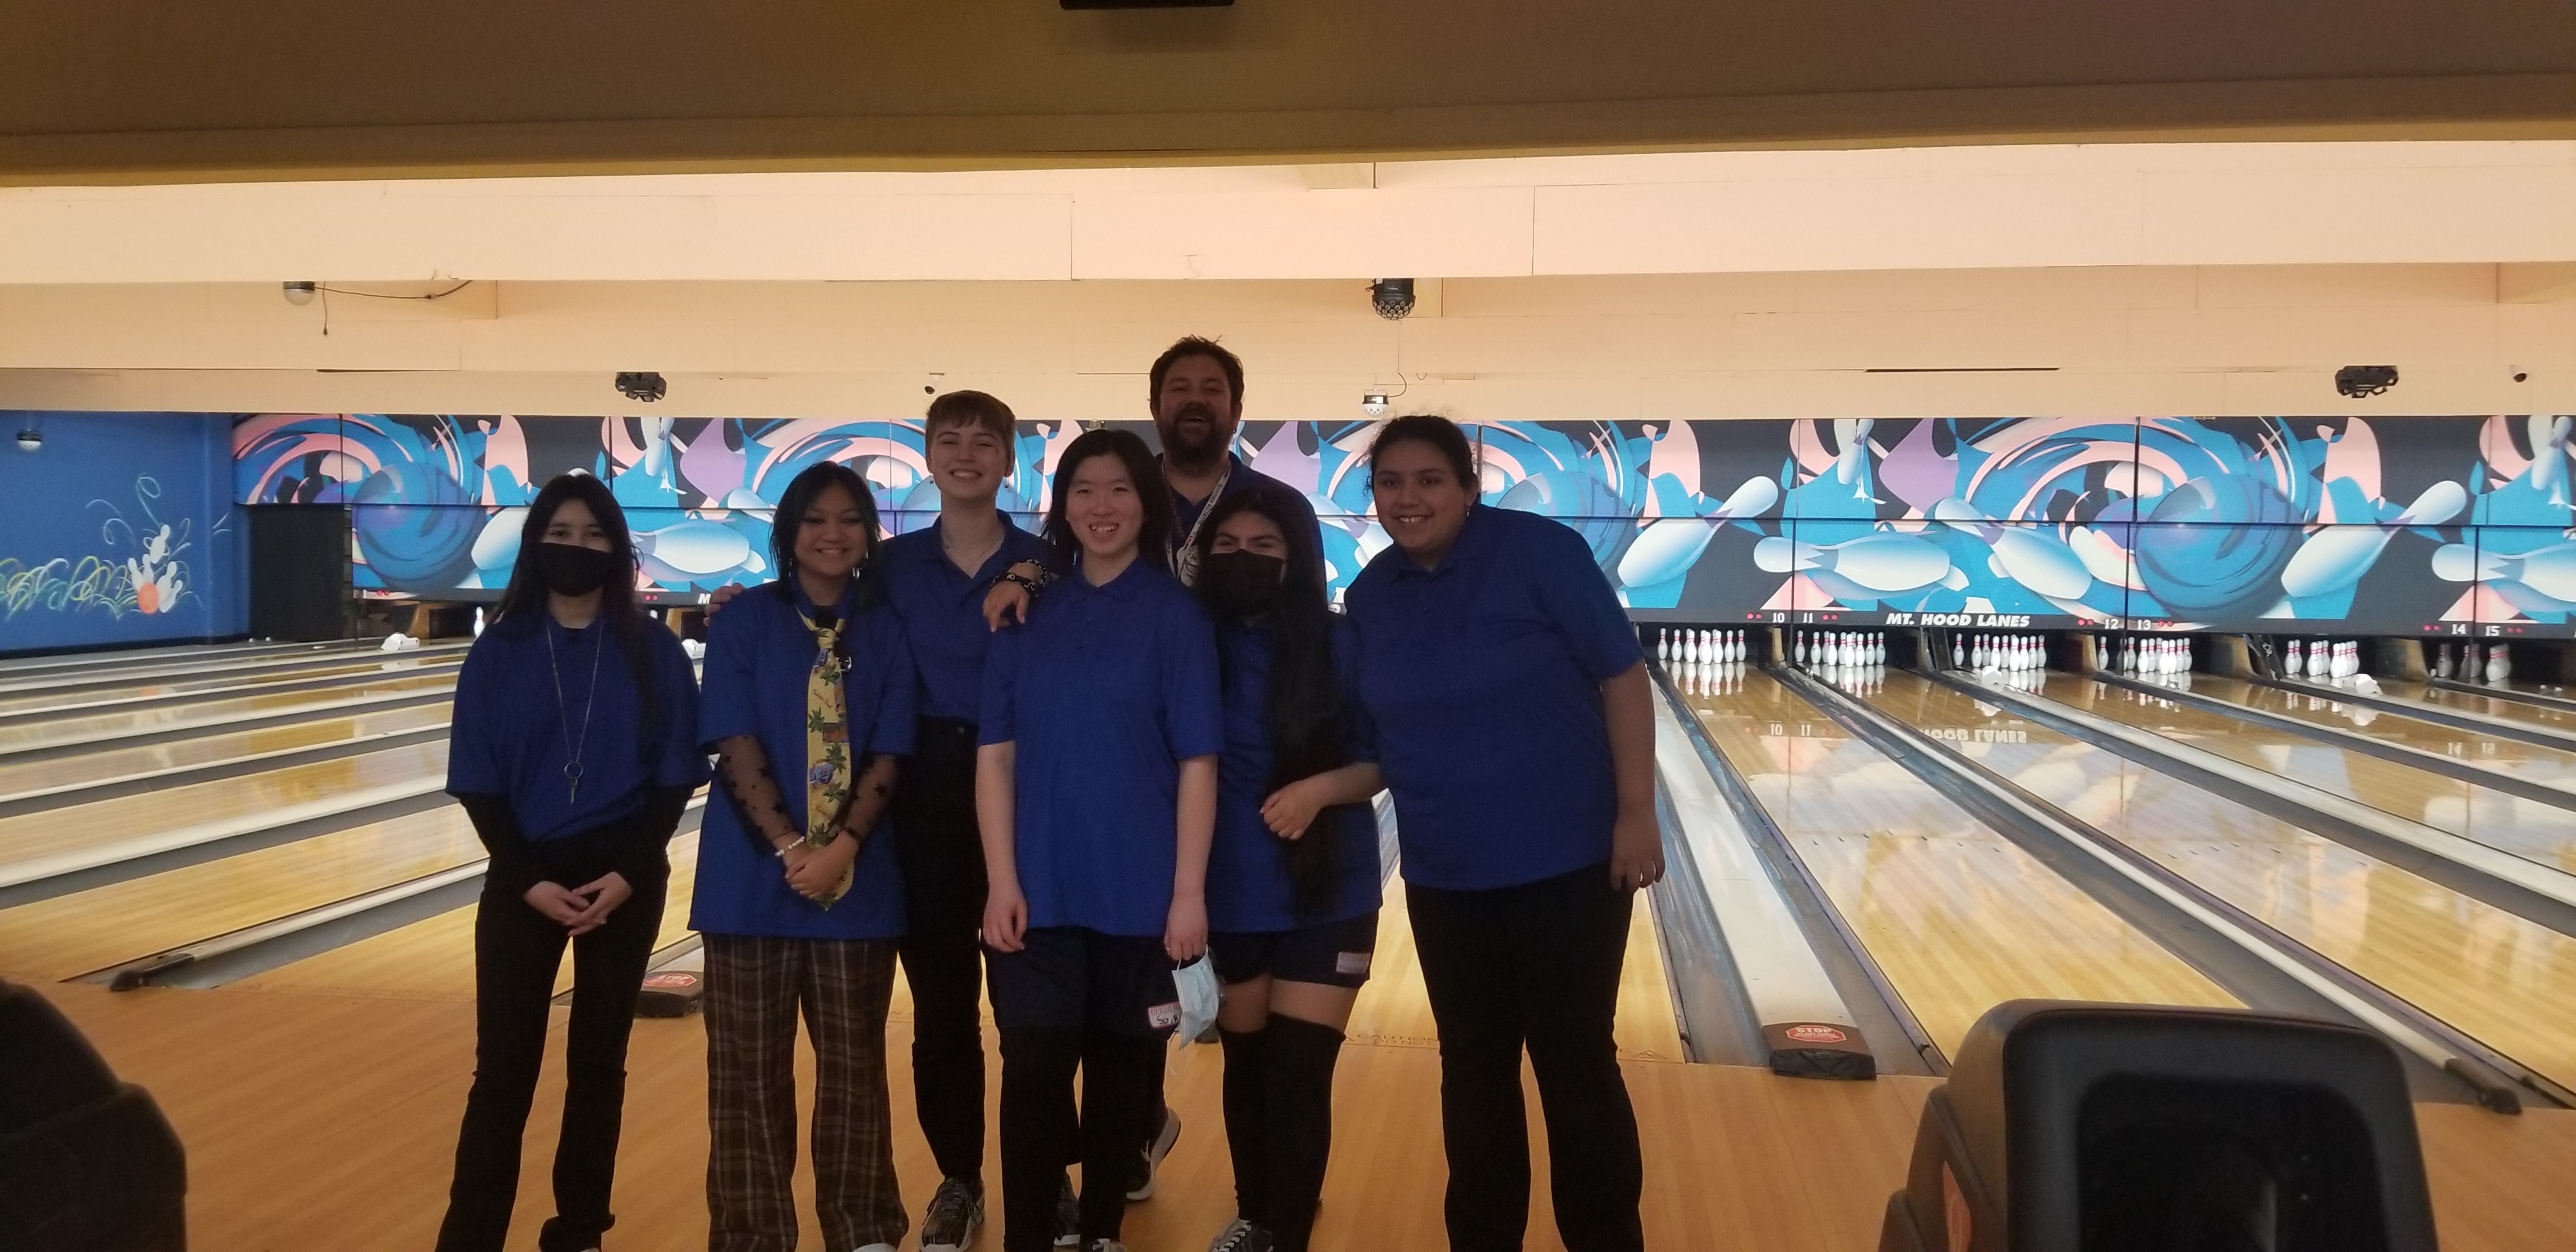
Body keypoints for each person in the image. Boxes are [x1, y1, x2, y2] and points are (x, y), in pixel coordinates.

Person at [982, 335, 1324, 1202]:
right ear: (1157, 403)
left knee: (1166, 1021)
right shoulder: (1124, 487)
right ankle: (1125, 1145)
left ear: (1237, 408)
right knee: (1076, 1034)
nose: (1197, 399)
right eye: (1180, 387)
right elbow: (1061, 548)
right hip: (1127, 777)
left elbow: (1309, 623)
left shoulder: (1274, 501)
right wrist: (1023, 569)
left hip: (1233, 778)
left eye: (1214, 387)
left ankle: (1233, 1185)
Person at [1343, 415, 1664, 1252]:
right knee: (1473, 1073)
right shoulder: (1372, 595)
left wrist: (1637, 811)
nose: (1407, 498)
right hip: (1446, 875)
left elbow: (1622, 677)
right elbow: (1375, 741)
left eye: (1428, 480)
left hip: (1569, 864)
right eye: (1390, 483)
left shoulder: (1541, 556)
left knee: (1574, 1065)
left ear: (1468, 487)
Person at [438, 471, 707, 1252]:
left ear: (618, 550)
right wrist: (527, 879)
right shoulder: (498, 653)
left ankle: (580, 1230)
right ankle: (470, 1237)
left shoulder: (654, 651)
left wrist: (629, 872)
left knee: (599, 1065)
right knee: (504, 1072)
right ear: (536, 546)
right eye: (561, 534)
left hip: (626, 871)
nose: (577, 549)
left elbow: (672, 780)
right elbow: (479, 783)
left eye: (594, 536)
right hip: (526, 877)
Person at [977, 428, 1223, 1252]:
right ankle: (1029, 1236)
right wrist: (1001, 881)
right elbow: (996, 758)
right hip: (1040, 891)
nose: (1102, 506)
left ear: (1144, 503)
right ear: (1064, 505)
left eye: (1120, 489)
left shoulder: (1177, 618)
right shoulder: (1028, 612)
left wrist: (1188, 894)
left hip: (1141, 891)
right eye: (1084, 490)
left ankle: (1104, 1232)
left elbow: (1198, 763)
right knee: (1036, 1069)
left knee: (1124, 1071)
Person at [693, 461, 917, 1252]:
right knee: (747, 1080)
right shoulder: (746, 622)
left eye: (850, 518)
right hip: (748, 883)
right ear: (788, 531)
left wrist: (843, 848)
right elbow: (733, 738)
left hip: (859, 884)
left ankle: (863, 1230)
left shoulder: (887, 627)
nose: (832, 533)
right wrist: (795, 846)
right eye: (815, 518)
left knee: (855, 1073)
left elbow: (893, 748)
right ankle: (753, 1235)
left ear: (868, 534)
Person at [871, 392, 1056, 1252]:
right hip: (920, 797)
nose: (968, 452)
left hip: (1027, 787)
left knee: (1034, 1010)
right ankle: (959, 1178)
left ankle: (1046, 1176)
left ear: (1009, 460)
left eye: (987, 441)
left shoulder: (1048, 561)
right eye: (951, 439)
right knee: (943, 1008)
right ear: (929, 456)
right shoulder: (889, 565)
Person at [1190, 483, 1386, 1252]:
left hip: (1327, 881)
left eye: (1265, 548)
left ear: (1298, 558)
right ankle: (1257, 1214)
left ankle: (1287, 1232)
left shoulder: (1339, 644)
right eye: (1229, 548)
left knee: (1300, 1073)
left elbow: (1379, 758)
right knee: (1248, 1065)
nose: (1245, 560)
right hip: (1229, 887)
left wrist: (1319, 791)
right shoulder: (1192, 639)